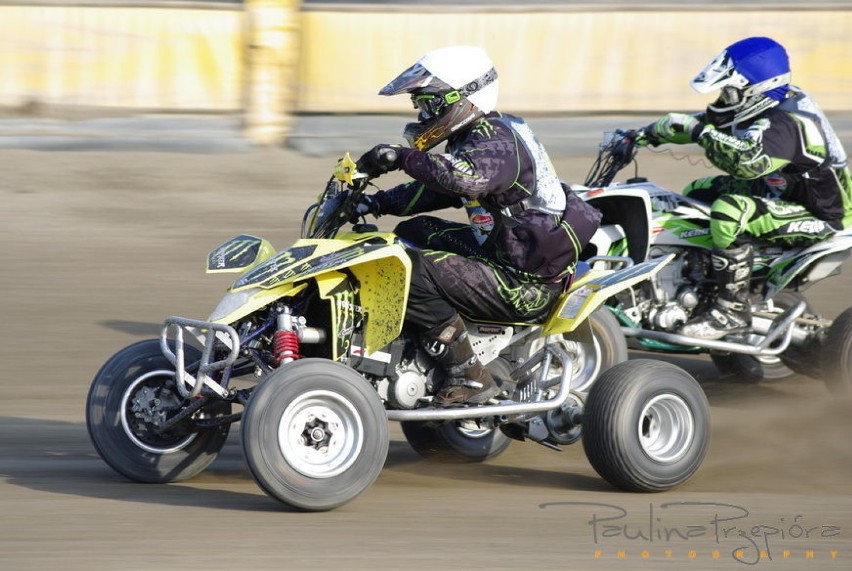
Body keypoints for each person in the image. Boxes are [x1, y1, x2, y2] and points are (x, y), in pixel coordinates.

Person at [352, 45, 602, 405]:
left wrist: (401, 156)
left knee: (409, 270)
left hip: (526, 282)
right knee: (411, 233)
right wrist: (374, 202)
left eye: (429, 104)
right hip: (506, 253)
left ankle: (469, 374)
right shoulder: (479, 135)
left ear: (462, 98)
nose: (422, 114)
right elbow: (434, 189)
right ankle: (421, 338)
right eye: (419, 105)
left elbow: (464, 181)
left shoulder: (498, 140)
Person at [636, 36, 852, 340]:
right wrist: (641, 135)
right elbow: (708, 125)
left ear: (754, 91)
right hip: (779, 191)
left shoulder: (786, 123)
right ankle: (703, 277)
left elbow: (747, 161)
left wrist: (696, 131)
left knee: (728, 211)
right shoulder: (760, 104)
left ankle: (731, 310)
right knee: (698, 191)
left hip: (821, 213)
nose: (724, 98)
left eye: (730, 91)